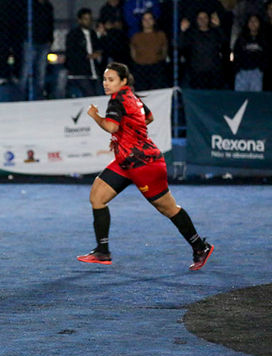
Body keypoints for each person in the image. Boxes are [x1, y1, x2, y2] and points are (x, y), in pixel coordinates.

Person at [78, 62, 214, 271]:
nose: (106, 83)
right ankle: (102, 251)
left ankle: (200, 247)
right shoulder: (131, 97)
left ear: (123, 81)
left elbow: (111, 126)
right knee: (97, 196)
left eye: (111, 79)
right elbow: (148, 118)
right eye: (104, 79)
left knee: (168, 208)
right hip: (127, 162)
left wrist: (95, 115)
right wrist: (127, 135)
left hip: (144, 164)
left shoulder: (117, 100)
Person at [179, 10, 227, 89]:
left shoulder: (214, 33)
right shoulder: (192, 34)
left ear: (209, 19)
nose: (202, 20)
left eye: (205, 17)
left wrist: (218, 27)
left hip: (214, 73)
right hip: (197, 73)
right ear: (196, 20)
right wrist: (182, 31)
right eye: (200, 18)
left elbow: (224, 41)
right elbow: (180, 45)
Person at [63, 8, 103, 98]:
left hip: (93, 71)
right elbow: (72, 52)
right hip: (80, 73)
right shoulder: (73, 35)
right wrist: (86, 56)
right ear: (80, 20)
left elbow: (98, 47)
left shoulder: (92, 34)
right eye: (85, 19)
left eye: (90, 19)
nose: (88, 22)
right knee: (91, 94)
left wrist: (98, 52)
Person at [19, 0, 54, 100]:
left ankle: (39, 95)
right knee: (26, 69)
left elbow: (50, 23)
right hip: (31, 41)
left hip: (44, 42)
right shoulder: (29, 6)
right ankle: (22, 95)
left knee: (41, 70)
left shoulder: (48, 6)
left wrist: (50, 39)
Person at [130, 11, 167, 90]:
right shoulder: (136, 37)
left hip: (156, 68)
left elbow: (164, 51)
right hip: (140, 69)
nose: (147, 21)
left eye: (150, 19)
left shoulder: (160, 35)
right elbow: (133, 54)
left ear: (154, 21)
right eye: (145, 19)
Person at [233, 15, 267, 91]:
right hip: (242, 72)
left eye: (255, 21)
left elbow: (266, 55)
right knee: (240, 96)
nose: (253, 23)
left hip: (257, 72)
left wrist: (262, 68)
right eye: (251, 21)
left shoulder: (263, 39)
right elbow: (236, 54)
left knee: (255, 96)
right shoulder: (241, 39)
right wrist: (237, 68)